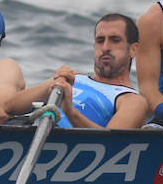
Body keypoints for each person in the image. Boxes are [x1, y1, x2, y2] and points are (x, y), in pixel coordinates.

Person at [8, 13, 149, 129]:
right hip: (27, 128)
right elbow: (9, 107)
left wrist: (70, 112)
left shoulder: (132, 101)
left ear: (133, 49)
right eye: (100, 40)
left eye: (115, 40)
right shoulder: (72, 78)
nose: (105, 47)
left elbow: (110, 144)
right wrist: (51, 83)